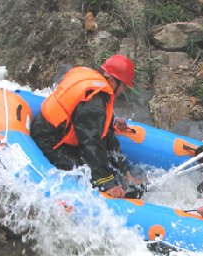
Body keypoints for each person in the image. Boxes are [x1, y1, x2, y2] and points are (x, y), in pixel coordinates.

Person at [30, 54, 142, 198]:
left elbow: (100, 130)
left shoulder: (94, 85)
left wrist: (124, 168)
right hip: (51, 143)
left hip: (54, 132)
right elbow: (91, 143)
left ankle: (124, 175)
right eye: (124, 86)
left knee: (113, 168)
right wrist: (108, 184)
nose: (123, 91)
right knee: (91, 174)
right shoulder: (94, 102)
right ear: (113, 81)